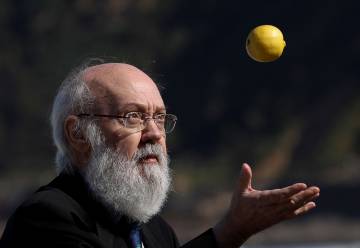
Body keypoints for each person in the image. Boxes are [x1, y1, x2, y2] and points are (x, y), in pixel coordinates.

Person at [0, 60, 320, 248]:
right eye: (133, 117)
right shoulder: (47, 218)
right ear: (79, 133)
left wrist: (233, 229)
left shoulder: (154, 230)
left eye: (159, 118)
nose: (154, 133)